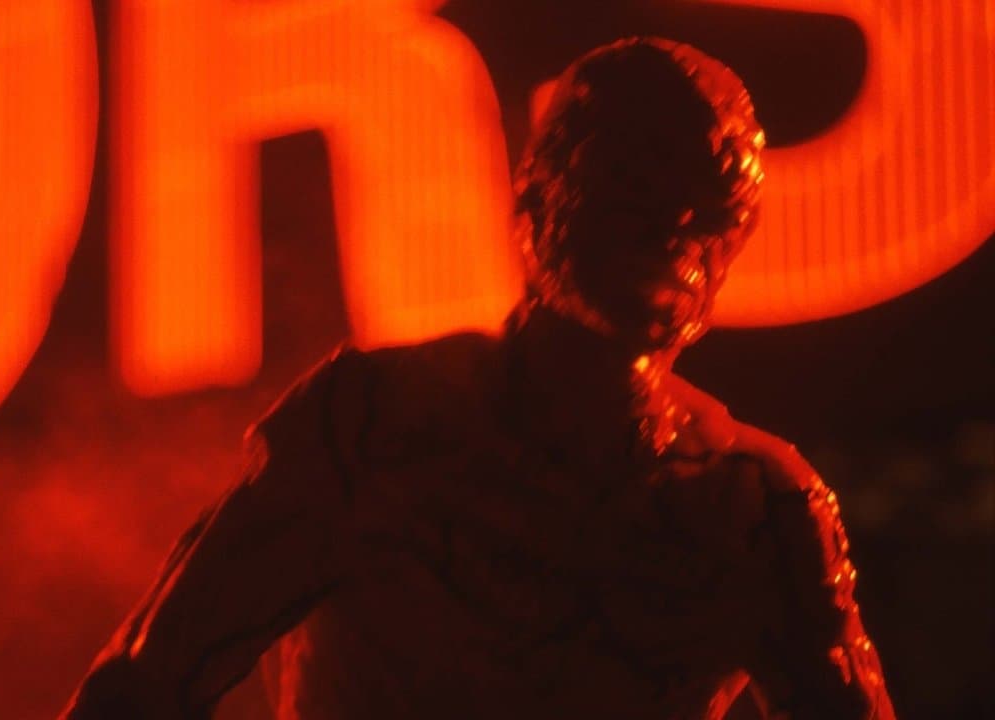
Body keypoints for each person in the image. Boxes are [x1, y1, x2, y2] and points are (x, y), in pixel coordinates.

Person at [60, 37, 896, 719]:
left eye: (711, 211)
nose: (675, 232)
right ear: (536, 206)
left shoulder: (758, 508)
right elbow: (146, 682)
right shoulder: (373, 427)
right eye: (635, 189)